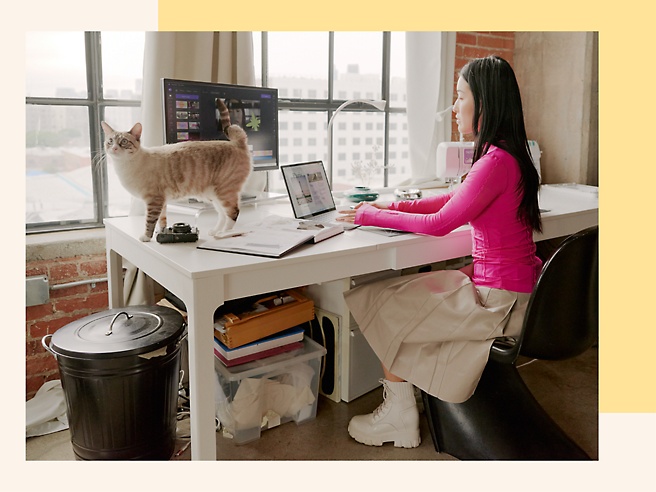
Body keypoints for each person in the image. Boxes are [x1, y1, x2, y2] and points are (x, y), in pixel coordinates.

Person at [336, 55, 543, 449]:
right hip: (512, 288)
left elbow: (440, 223)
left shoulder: (494, 163)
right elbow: (448, 200)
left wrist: (370, 212)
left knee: (379, 298)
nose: (453, 107)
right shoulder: (508, 157)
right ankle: (403, 405)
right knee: (407, 295)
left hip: (499, 301)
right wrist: (384, 207)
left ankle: (398, 415)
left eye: (460, 96)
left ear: (483, 103)